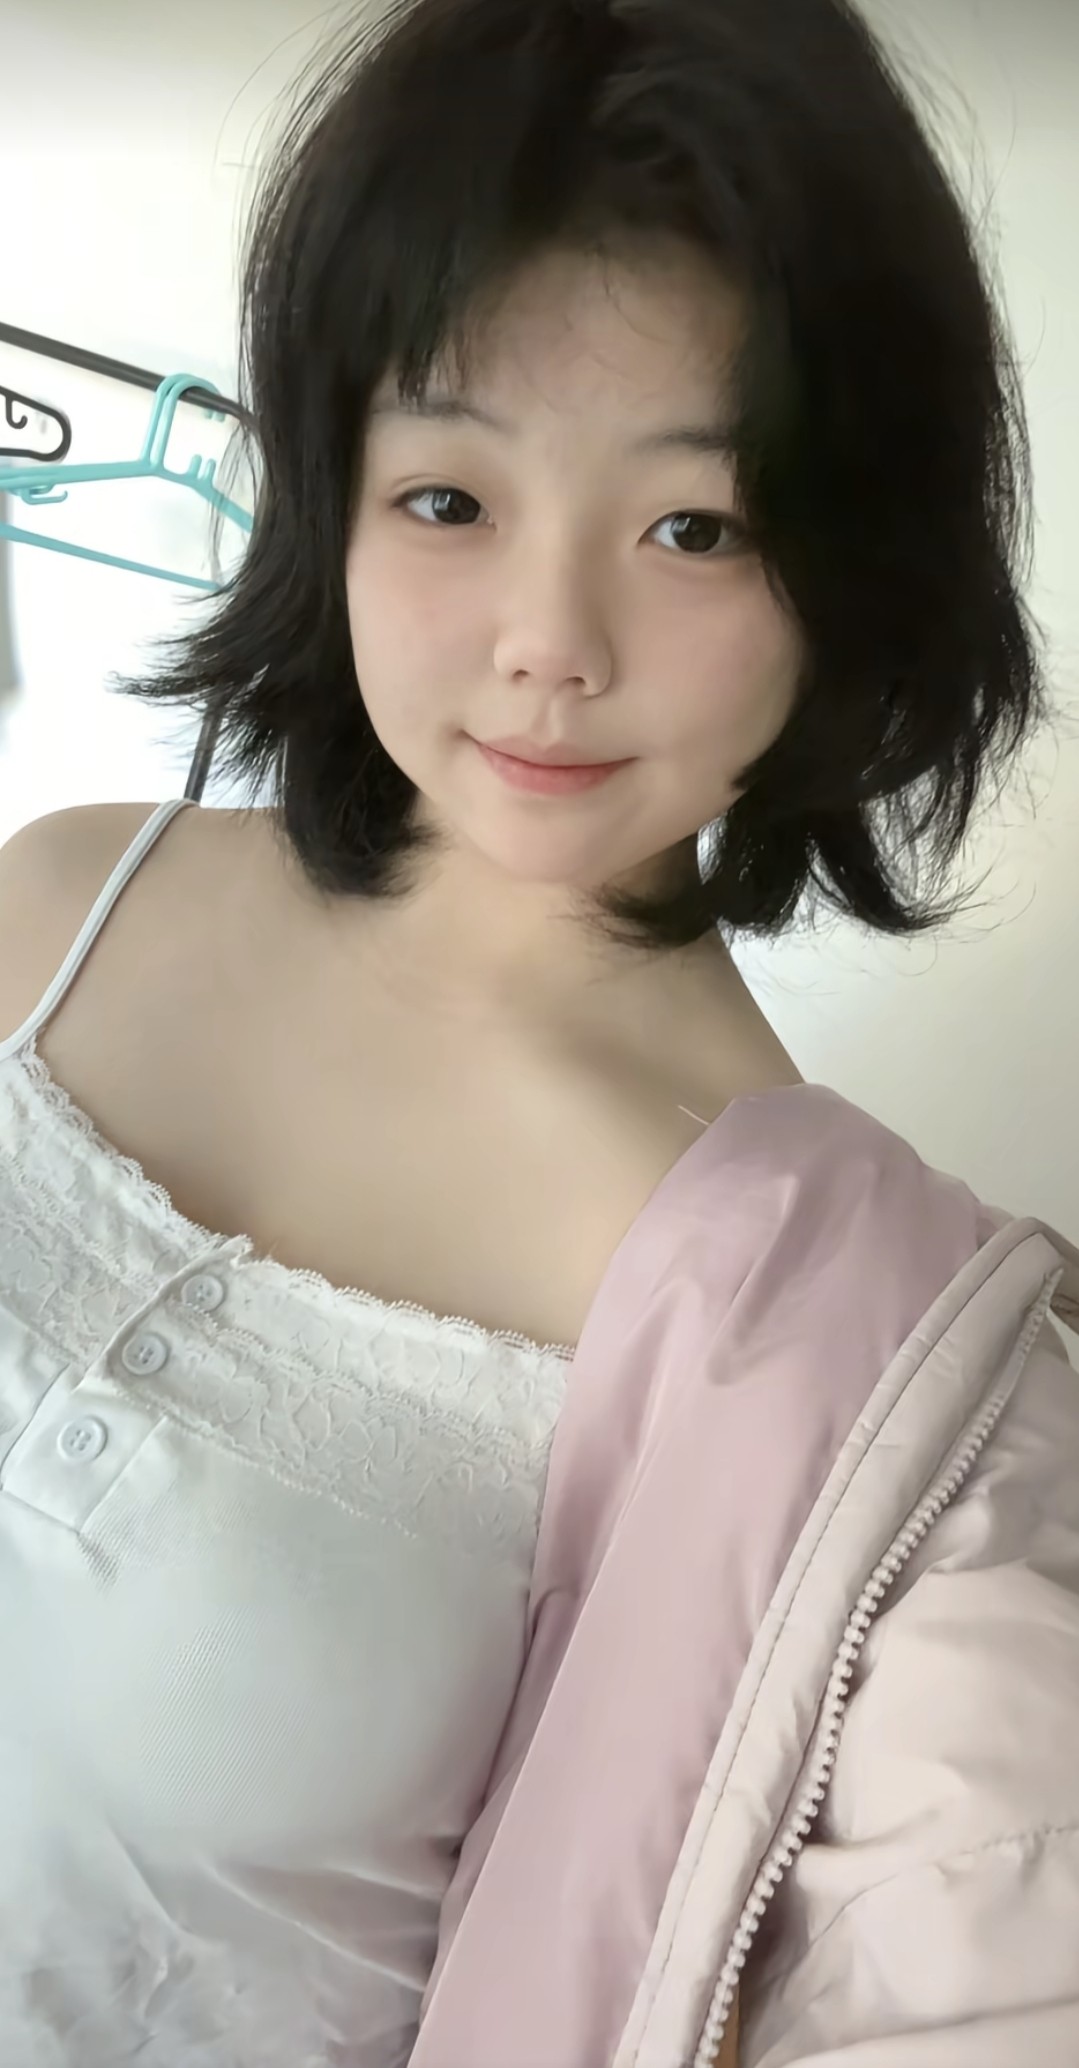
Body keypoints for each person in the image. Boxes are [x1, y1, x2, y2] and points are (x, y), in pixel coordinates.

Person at [1, 0, 1077, 2062]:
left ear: (853, 568)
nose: (548, 644)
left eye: (695, 525)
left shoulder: (837, 1350)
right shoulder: (62, 896)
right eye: (448, 497)